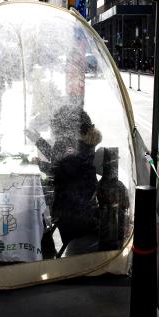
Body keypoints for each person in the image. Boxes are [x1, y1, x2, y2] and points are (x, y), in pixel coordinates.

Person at [25, 105, 102, 251]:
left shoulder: (68, 144)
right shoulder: (84, 142)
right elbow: (59, 160)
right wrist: (38, 140)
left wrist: (38, 163)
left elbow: (56, 169)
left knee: (34, 207)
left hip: (70, 213)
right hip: (87, 208)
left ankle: (44, 252)